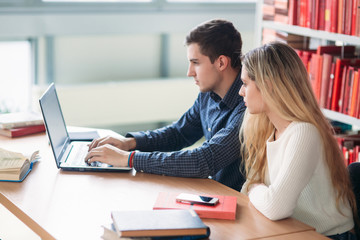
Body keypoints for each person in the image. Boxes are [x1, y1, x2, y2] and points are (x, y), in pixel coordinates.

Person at [85, 19, 246, 191]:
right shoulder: (208, 95)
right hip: (212, 192)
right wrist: (129, 143)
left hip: (238, 204)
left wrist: (128, 159)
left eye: (196, 63)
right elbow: (178, 134)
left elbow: (204, 160)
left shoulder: (246, 107)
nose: (189, 72)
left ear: (221, 63)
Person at [238, 42, 357, 239]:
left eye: (245, 83)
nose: (241, 92)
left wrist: (254, 188)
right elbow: (248, 191)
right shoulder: (271, 131)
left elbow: (276, 206)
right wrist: (256, 189)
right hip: (294, 231)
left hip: (329, 236)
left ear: (267, 85)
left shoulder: (304, 133)